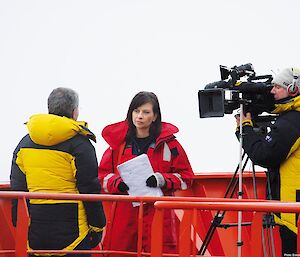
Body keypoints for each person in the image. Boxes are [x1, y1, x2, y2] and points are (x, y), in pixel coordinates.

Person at [10, 87, 106, 257]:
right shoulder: (80, 144)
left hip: (37, 232)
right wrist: (98, 226)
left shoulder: (24, 144)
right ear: (74, 112)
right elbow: (89, 188)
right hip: (74, 235)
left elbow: (18, 187)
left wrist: (19, 222)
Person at [98, 91, 194, 256]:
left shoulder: (170, 145)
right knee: (119, 253)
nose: (140, 116)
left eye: (146, 112)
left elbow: (186, 177)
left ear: (155, 116)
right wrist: (117, 183)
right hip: (124, 215)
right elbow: (101, 176)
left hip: (158, 215)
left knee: (160, 252)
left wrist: (162, 180)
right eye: (136, 111)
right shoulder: (118, 145)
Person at [234, 67, 300, 256]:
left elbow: (265, 155)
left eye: (277, 87)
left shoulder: (293, 121)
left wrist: (244, 129)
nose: (272, 91)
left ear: (293, 89)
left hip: (292, 209)